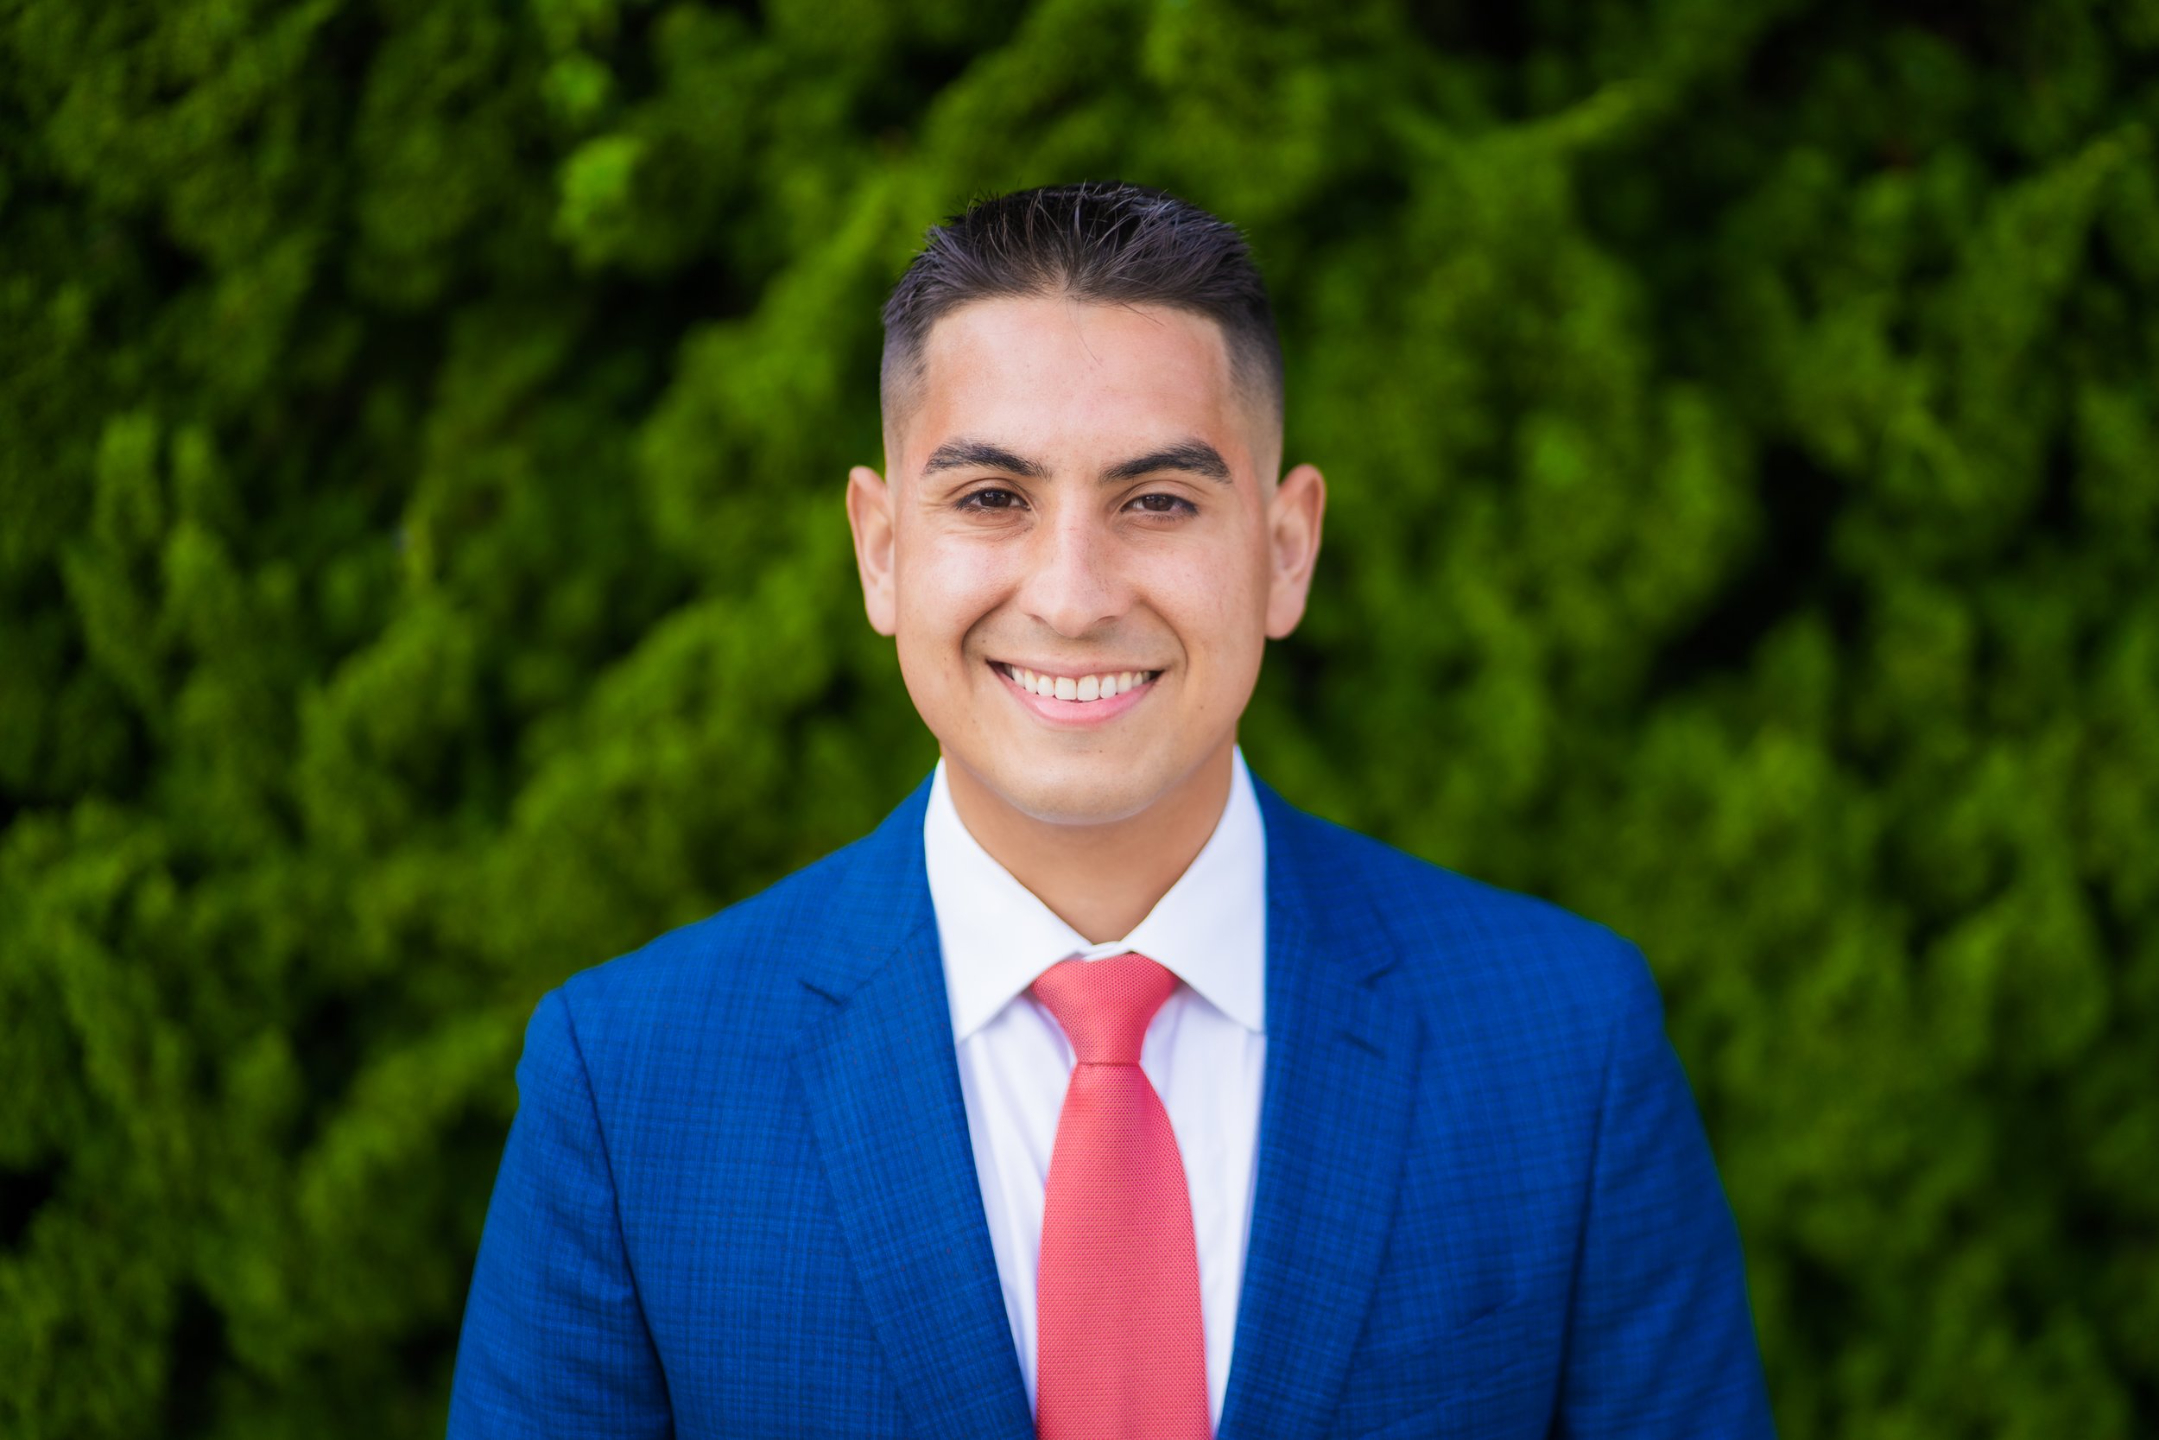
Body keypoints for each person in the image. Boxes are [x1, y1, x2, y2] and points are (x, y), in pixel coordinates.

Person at [447, 181, 1776, 1439]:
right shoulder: (627, 1084)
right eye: (992, 498)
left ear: (1285, 550)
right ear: (882, 549)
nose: (1073, 595)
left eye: (1156, 500)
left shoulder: (1568, 1046)